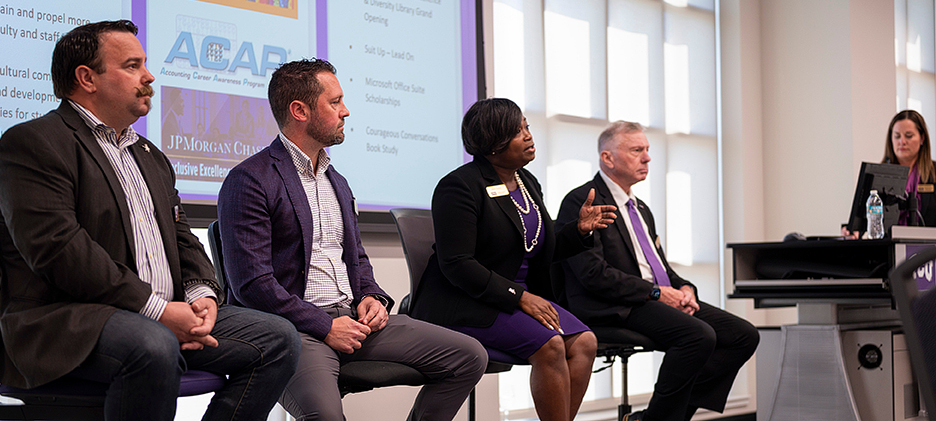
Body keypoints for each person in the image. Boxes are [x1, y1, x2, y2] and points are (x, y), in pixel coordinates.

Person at [0, 20, 301, 421]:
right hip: (68, 320)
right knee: (152, 345)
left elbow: (183, 238)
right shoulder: (34, 143)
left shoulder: (149, 154)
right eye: (132, 65)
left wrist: (201, 295)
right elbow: (60, 251)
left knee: (279, 338)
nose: (148, 76)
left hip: (161, 313)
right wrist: (157, 311)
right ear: (86, 78)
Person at [217, 58, 488, 421]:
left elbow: (355, 258)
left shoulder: (337, 181)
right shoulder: (250, 179)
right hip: (297, 329)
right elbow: (252, 285)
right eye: (335, 102)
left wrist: (372, 297)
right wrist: (326, 326)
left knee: (469, 356)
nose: (346, 111)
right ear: (300, 110)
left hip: (354, 320)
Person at [410, 98, 617, 421]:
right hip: (467, 300)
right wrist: (519, 297)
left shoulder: (527, 183)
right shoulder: (460, 186)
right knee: (550, 346)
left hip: (517, 297)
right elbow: (457, 264)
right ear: (493, 142)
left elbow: (537, 248)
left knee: (585, 342)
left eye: (527, 127)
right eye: (518, 131)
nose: (529, 136)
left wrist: (578, 231)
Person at [555, 121, 759, 421]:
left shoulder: (640, 208)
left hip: (650, 297)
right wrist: (655, 293)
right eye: (637, 150)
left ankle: (660, 418)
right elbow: (592, 274)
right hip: (612, 303)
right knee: (697, 336)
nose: (647, 157)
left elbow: (658, 267)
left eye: (648, 150)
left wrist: (685, 288)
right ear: (607, 158)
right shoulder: (583, 201)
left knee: (742, 335)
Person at [884, 109, 936, 226]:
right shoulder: (880, 173)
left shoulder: (934, 172)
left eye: (909, 136)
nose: (902, 142)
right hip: (889, 243)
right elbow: (863, 219)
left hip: (929, 243)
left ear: (922, 138)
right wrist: (853, 231)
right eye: (897, 136)